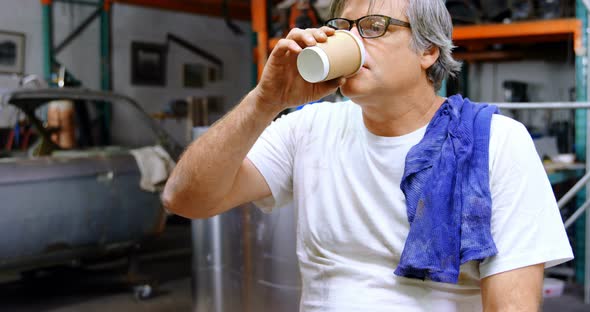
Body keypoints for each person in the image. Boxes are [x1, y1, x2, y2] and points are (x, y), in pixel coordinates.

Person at [162, 0, 573, 311]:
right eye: (342, 27)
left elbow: (512, 306)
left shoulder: (495, 142)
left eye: (373, 27)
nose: (352, 41)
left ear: (427, 50)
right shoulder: (308, 128)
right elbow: (185, 199)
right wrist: (266, 100)